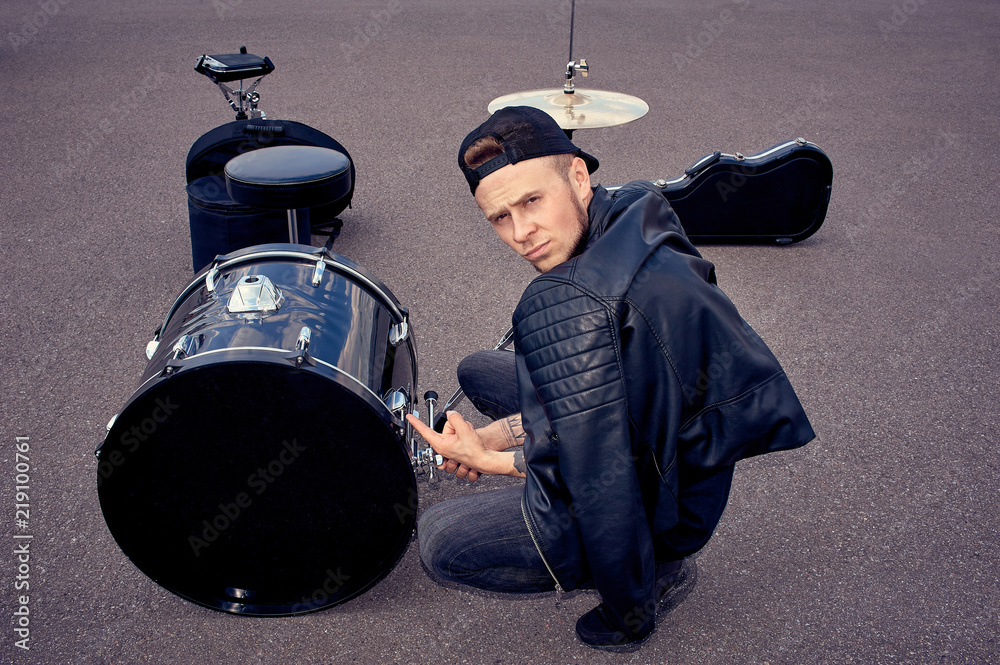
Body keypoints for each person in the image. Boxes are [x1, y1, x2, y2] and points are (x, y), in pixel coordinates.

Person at [406, 106, 815, 650]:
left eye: (531, 201)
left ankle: (663, 569)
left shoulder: (565, 307)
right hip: (690, 449)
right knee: (479, 370)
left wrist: (629, 610)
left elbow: (603, 489)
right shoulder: (636, 211)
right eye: (499, 218)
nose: (521, 233)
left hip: (669, 502)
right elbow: (602, 403)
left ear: (578, 175)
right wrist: (491, 435)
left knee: (440, 543)